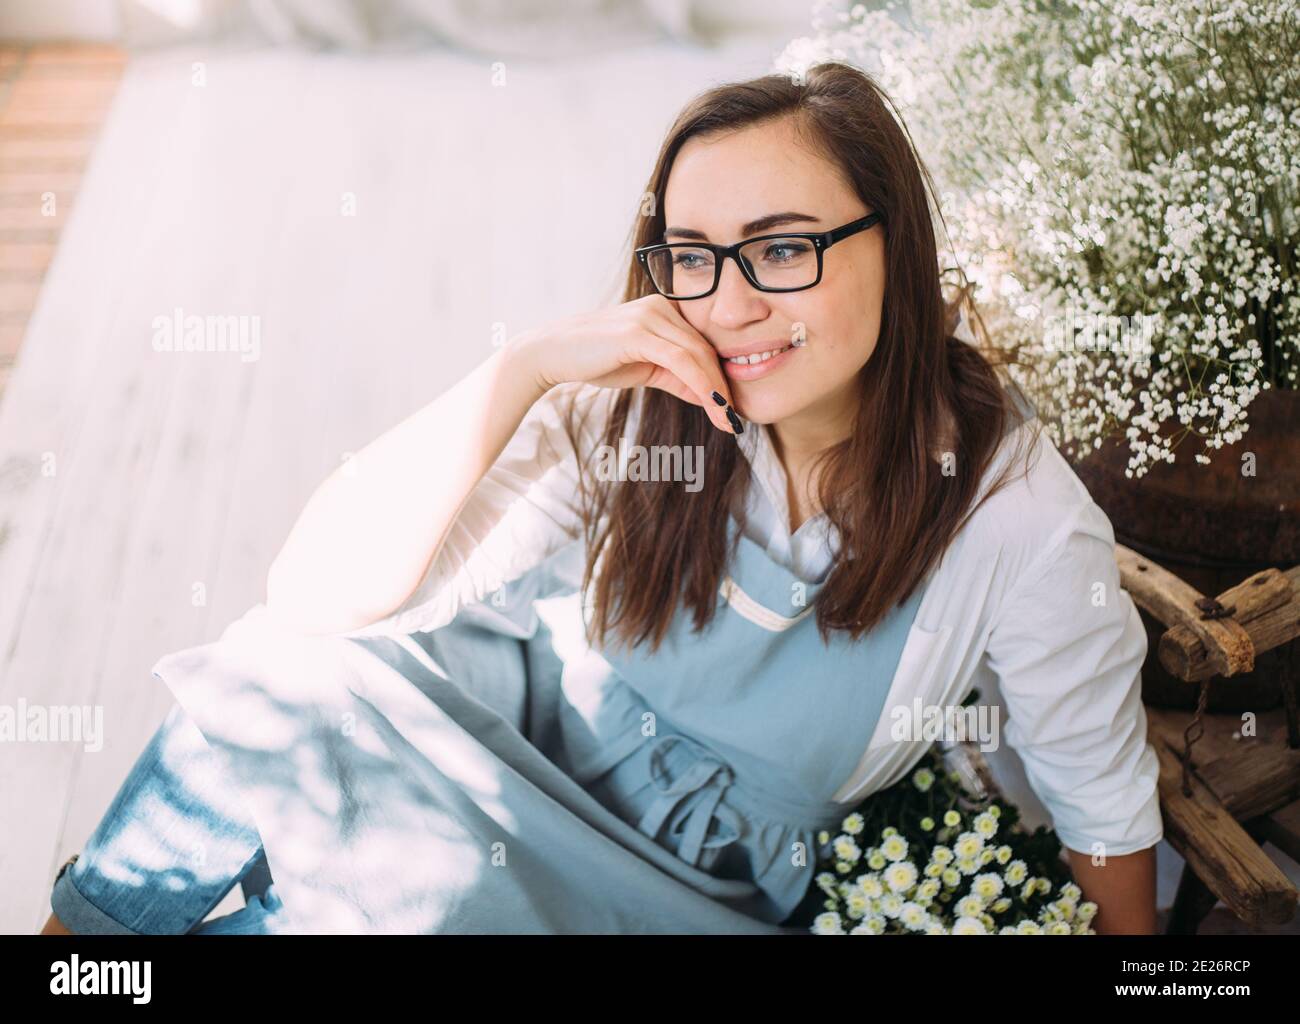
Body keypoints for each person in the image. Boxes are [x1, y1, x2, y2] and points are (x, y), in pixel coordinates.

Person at [42, 61, 1161, 936]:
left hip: (667, 889)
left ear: (894, 242)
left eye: (781, 249)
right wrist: (522, 368)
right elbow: (312, 594)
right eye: (690, 256)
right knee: (268, 684)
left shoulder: (1014, 517)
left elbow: (1099, 806)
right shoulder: (643, 398)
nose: (726, 306)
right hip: (503, 737)